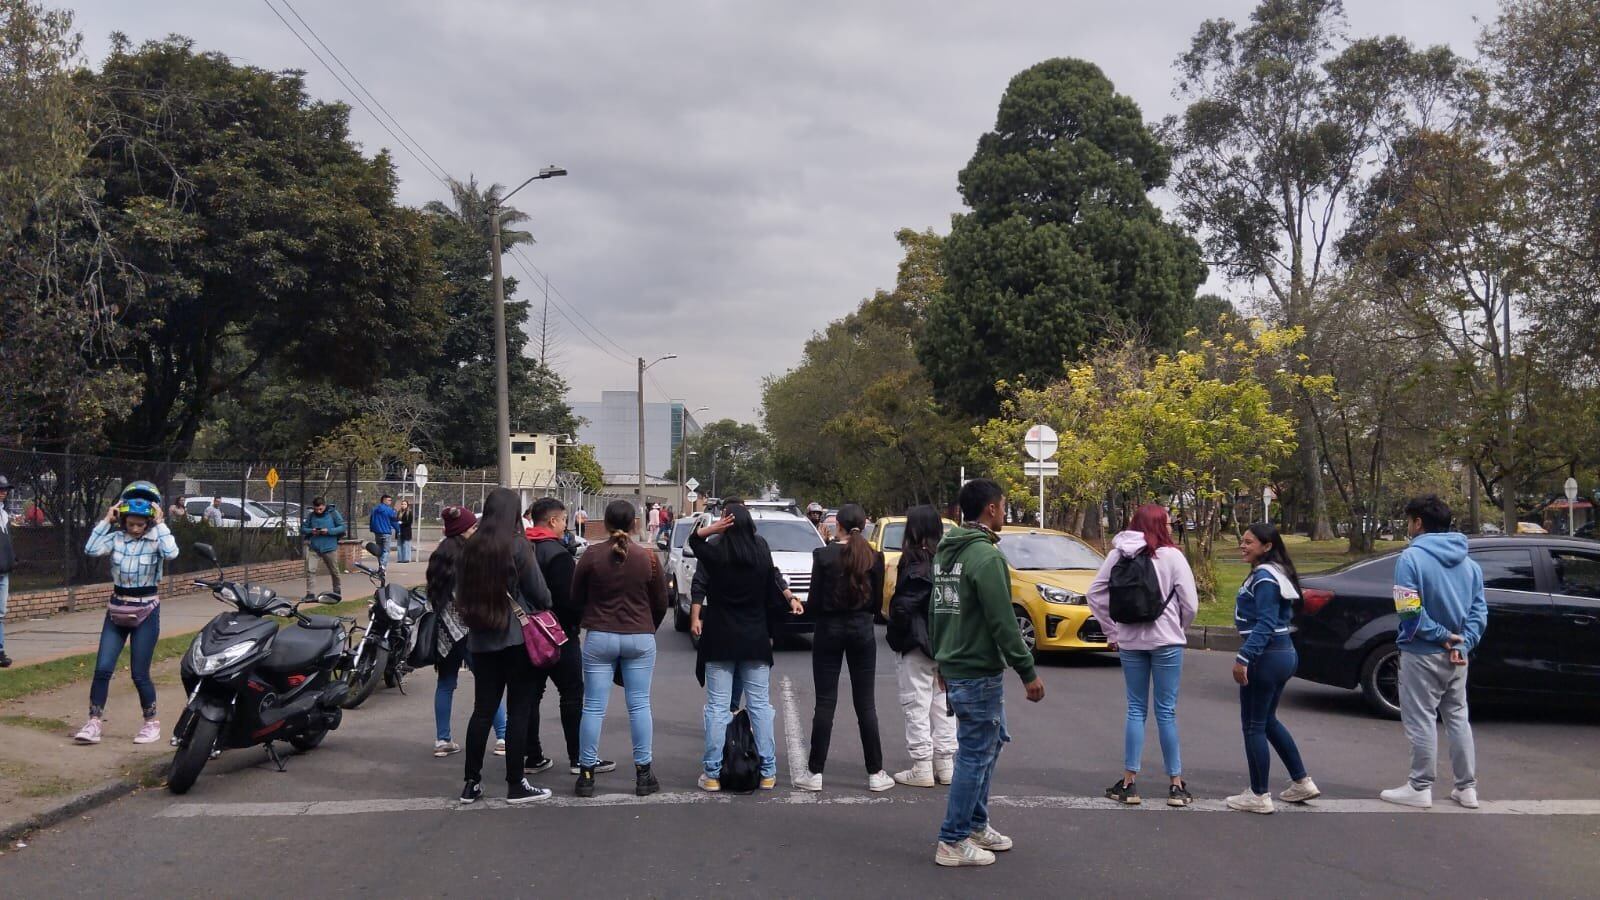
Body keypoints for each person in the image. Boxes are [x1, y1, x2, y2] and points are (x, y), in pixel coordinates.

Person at [930, 478, 1045, 868]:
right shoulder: (987, 558)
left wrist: (941, 659)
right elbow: (1004, 622)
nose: (1005, 511)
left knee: (986, 747)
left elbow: (937, 612)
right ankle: (952, 838)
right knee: (975, 755)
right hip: (977, 670)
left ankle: (975, 824)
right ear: (991, 509)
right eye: (1003, 505)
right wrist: (1027, 671)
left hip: (959, 665)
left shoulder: (948, 552)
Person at [1086, 504, 1199, 807]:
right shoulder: (1173, 557)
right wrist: (1178, 627)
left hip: (1131, 640)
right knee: (1166, 711)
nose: (1172, 527)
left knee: (1136, 709)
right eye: (1169, 522)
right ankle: (1176, 785)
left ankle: (1128, 783)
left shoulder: (1118, 554)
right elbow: (1191, 603)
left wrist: (1112, 631)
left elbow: (1094, 593)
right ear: (1159, 525)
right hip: (1167, 642)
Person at [1381, 495, 1487, 810]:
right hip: (1458, 654)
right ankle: (1466, 788)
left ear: (1418, 523)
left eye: (1410, 521)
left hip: (1422, 651)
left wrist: (1441, 637)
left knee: (1421, 717)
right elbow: (1479, 611)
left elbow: (1408, 609)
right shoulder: (1470, 564)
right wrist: (1463, 641)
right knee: (1457, 716)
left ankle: (1419, 786)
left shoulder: (1410, 559)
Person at [690, 504, 804, 792]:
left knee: (717, 708)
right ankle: (768, 772)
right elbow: (773, 582)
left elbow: (693, 542)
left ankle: (713, 774)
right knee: (760, 708)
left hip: (720, 638)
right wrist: (789, 598)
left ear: (724, 524)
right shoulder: (760, 550)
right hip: (754, 638)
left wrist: (710, 530)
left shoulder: (716, 553)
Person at [453, 488, 553, 804]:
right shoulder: (518, 546)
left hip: (482, 639)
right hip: (516, 639)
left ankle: (471, 783)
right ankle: (515, 783)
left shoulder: (469, 549)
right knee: (519, 710)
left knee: (482, 711)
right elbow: (542, 595)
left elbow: (461, 593)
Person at [572, 500, 669, 797]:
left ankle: (586, 775)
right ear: (634, 523)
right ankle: (643, 774)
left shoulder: (591, 555)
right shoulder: (648, 558)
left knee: (593, 706)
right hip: (639, 636)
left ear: (606, 523)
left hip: (600, 635)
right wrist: (647, 625)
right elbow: (661, 602)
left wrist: (587, 620)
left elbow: (575, 596)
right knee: (639, 705)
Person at [795, 503, 891, 792]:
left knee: (825, 702)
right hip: (861, 629)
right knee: (866, 704)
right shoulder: (874, 556)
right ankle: (875, 772)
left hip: (828, 630)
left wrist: (802, 610)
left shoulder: (823, 555)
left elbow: (814, 599)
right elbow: (876, 605)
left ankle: (815, 773)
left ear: (838, 525)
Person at [1226, 523, 1320, 814]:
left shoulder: (1265, 576)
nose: (1243, 546)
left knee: (1253, 725)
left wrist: (1244, 657)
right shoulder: (1276, 571)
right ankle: (1301, 781)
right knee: (1267, 721)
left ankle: (1258, 794)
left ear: (1267, 546)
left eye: (1249, 542)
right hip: (1282, 654)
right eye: (1242, 541)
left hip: (1266, 656)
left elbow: (1266, 622)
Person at [76, 482, 179, 745]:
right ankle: (93, 722)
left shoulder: (157, 539)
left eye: (141, 524)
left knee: (139, 673)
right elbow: (90, 550)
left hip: (146, 611)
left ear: (149, 521)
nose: (135, 529)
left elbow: (172, 553)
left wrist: (161, 523)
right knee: (102, 668)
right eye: (131, 524)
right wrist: (105, 520)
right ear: (123, 519)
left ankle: (151, 723)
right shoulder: (116, 538)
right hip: (116, 610)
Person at [526, 497, 608, 777]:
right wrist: (575, 624)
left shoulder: (520, 548)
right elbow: (568, 599)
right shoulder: (557, 554)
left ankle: (532, 756)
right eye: (563, 520)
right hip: (558, 636)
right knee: (572, 695)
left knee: (530, 697)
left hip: (526, 635)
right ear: (552, 521)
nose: (565, 525)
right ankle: (579, 758)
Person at [426, 506, 509, 757]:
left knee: (445, 684)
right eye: (472, 527)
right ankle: (503, 737)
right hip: (471, 630)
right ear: (462, 531)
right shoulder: (472, 556)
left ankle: (443, 740)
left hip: (445, 632)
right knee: (488, 683)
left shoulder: (439, 556)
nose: (475, 531)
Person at [885, 505, 954, 787]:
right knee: (943, 704)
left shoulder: (914, 560)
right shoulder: (947, 559)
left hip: (917, 641)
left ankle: (922, 765)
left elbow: (904, 605)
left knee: (916, 703)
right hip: (945, 642)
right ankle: (946, 764)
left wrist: (894, 631)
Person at [300, 496, 346, 598]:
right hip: (314, 547)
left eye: (320, 509)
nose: (318, 511)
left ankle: (337, 590)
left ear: (324, 506)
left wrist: (329, 531)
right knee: (310, 570)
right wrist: (311, 531)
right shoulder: (311, 516)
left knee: (334, 570)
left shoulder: (333, 514)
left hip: (329, 547)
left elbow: (342, 527)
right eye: (316, 509)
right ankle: (310, 593)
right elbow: (303, 529)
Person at [0, 475, 13, 668]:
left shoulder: (4, 514)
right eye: (0, 489)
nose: (3, 492)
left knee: (0, 612)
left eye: (5, 489)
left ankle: (0, 650)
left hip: (3, 571)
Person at [369, 494, 398, 571]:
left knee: (379, 550)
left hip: (377, 533)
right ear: (384, 500)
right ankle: (383, 566)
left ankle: (380, 566)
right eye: (389, 500)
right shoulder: (389, 510)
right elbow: (394, 521)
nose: (390, 502)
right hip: (386, 533)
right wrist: (398, 530)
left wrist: (373, 529)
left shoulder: (374, 509)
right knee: (386, 551)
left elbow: (372, 520)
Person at [396, 499, 416, 564]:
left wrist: (401, 523)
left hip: (406, 531)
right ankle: (400, 559)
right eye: (402, 504)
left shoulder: (409, 512)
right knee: (399, 545)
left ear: (407, 505)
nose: (403, 505)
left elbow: (409, 522)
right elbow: (396, 520)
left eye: (405, 504)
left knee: (406, 545)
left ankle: (406, 559)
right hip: (399, 531)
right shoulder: (399, 512)